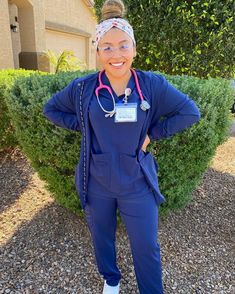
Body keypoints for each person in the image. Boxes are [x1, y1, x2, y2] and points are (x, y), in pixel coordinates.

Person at [42, 0, 201, 293]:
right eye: (107, 47)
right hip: (97, 179)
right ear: (98, 51)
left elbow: (190, 112)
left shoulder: (151, 85)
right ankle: (111, 280)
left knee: (146, 245)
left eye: (123, 45)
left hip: (136, 180)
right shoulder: (83, 88)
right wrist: (84, 125)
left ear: (135, 49)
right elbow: (51, 109)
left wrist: (153, 133)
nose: (116, 54)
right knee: (101, 237)